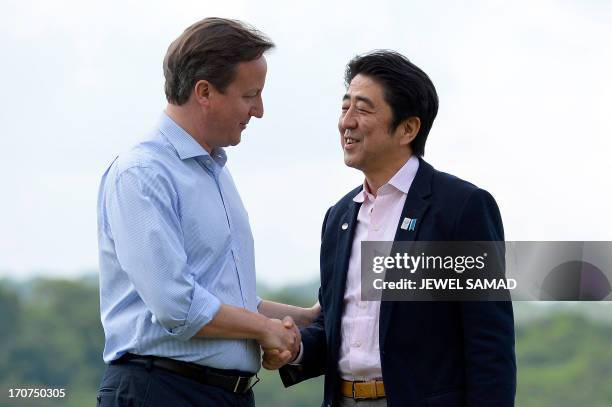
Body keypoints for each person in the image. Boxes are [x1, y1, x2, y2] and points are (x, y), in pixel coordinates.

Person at [266, 50, 516, 406]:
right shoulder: (338, 216)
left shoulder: (461, 208)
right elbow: (336, 325)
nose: (346, 122)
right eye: (344, 107)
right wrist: (296, 348)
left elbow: (489, 342)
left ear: (408, 128)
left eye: (363, 109)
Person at [96, 17, 316, 407]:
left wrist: (308, 318)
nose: (259, 110)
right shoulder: (143, 173)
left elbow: (225, 296)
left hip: (223, 395)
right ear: (204, 92)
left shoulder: (214, 171)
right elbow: (178, 306)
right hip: (161, 392)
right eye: (250, 95)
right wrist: (264, 329)